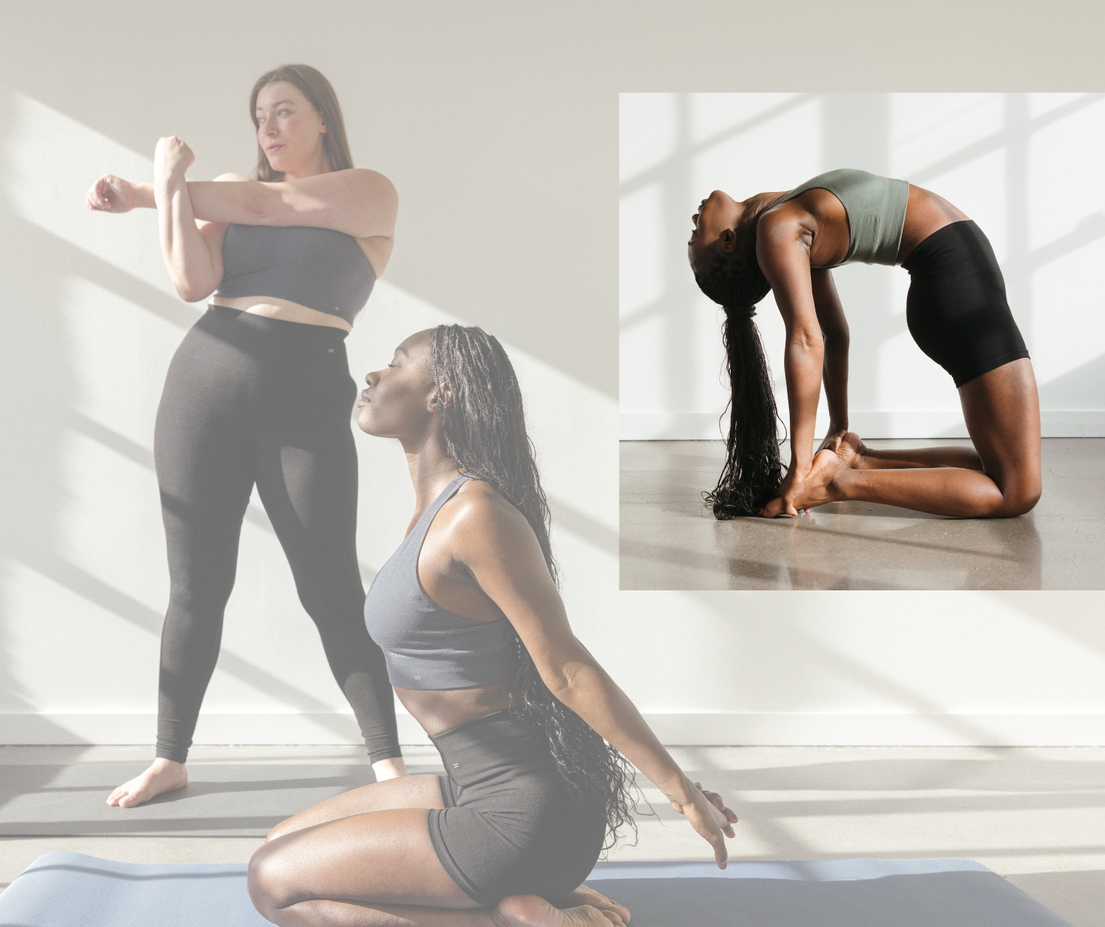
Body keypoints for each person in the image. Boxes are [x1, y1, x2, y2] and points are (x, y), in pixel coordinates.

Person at [245, 325, 737, 927]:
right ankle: (528, 895)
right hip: (477, 786)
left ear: (440, 395)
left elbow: (568, 669)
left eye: (396, 363)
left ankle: (511, 918)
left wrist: (681, 789)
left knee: (272, 885)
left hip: (521, 814)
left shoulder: (474, 514)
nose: (371, 376)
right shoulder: (439, 509)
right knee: (278, 844)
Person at [84, 64, 406, 807]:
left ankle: (389, 763)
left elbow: (276, 202)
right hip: (203, 387)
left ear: (323, 117)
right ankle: (170, 757)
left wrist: (146, 188)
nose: (268, 127)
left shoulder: (367, 190)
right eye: (260, 114)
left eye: (285, 111)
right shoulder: (227, 193)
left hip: (305, 393)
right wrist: (166, 193)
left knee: (329, 585)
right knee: (196, 587)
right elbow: (191, 282)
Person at [688, 168, 1042, 521]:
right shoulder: (777, 228)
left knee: (1001, 465)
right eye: (694, 237)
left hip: (956, 282)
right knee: (1017, 490)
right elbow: (807, 339)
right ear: (728, 241)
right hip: (956, 286)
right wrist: (799, 469)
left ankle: (855, 459)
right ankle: (835, 482)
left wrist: (838, 429)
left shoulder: (782, 218)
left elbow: (835, 333)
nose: (693, 219)